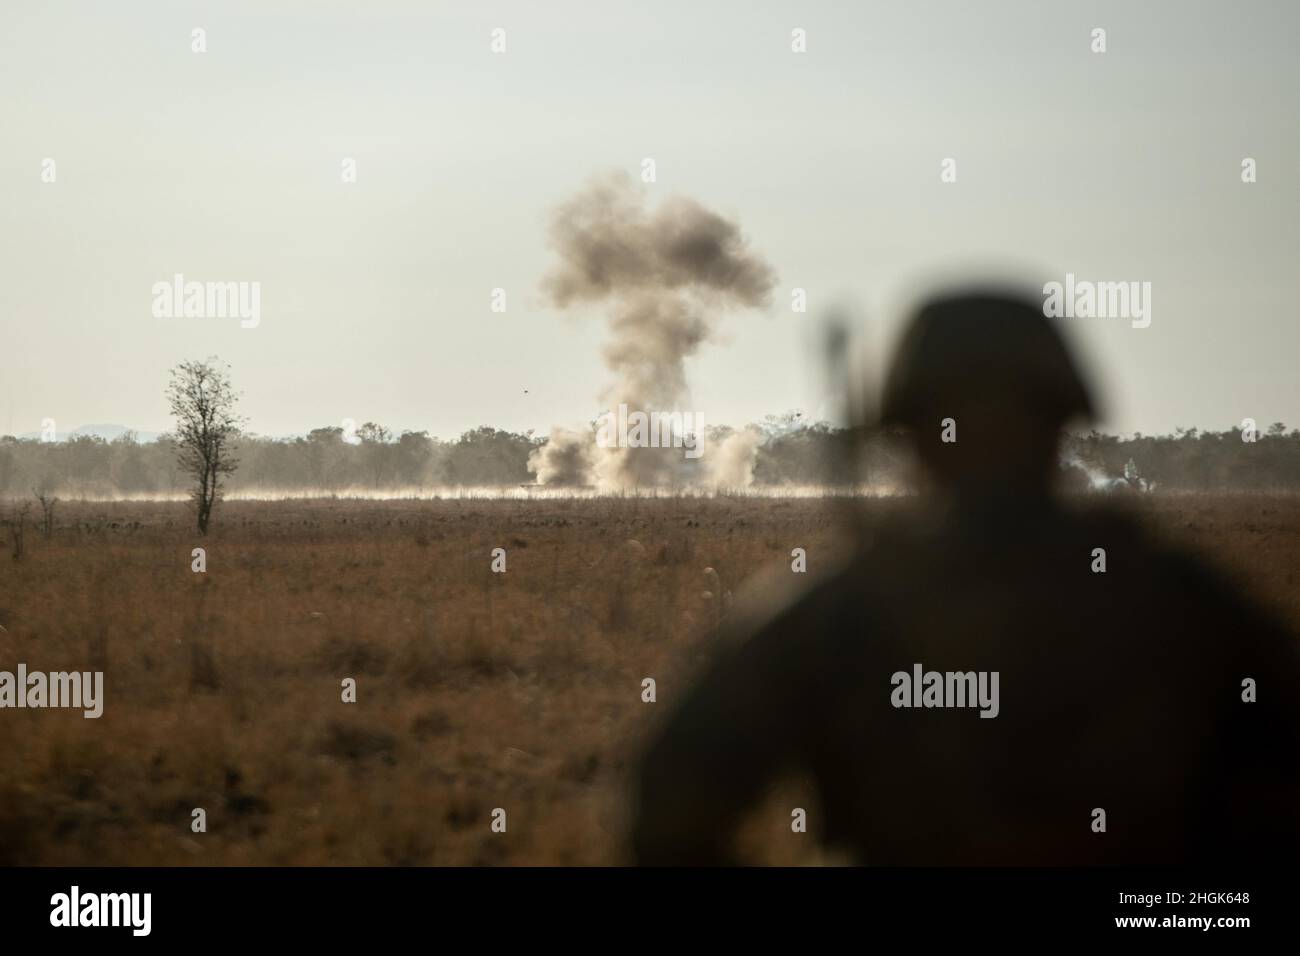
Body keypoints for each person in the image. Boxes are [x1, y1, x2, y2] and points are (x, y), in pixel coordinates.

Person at [630, 288, 1300, 865]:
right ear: (1065, 419)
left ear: (907, 431)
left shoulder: (841, 610)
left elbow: (669, 806)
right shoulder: (1181, 600)